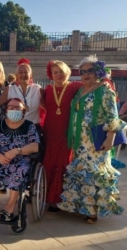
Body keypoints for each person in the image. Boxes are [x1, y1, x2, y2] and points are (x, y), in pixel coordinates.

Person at [57, 55, 124, 224]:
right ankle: (82, 207)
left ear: (98, 72)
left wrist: (110, 138)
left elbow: (112, 116)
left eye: (90, 71)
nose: (86, 74)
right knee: (82, 173)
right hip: (80, 142)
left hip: (96, 141)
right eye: (82, 72)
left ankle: (92, 211)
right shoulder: (81, 91)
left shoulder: (105, 90)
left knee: (94, 174)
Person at [0, 98, 40, 221]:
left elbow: (35, 146)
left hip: (20, 161)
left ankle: (9, 209)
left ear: (23, 110)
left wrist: (17, 151)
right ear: (6, 109)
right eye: (11, 107)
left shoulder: (29, 126)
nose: (14, 110)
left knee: (19, 171)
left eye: (18, 108)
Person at [42, 60, 83, 212]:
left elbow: (91, 87)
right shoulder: (47, 89)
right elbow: (43, 105)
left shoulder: (75, 87)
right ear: (51, 75)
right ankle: (47, 197)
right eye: (55, 72)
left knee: (64, 162)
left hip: (67, 131)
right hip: (50, 131)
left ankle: (62, 199)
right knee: (49, 161)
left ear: (68, 72)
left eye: (61, 71)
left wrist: (104, 83)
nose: (59, 74)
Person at [0, 58, 43, 127]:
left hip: (34, 128)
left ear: (30, 75)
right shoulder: (10, 89)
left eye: (26, 72)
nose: (23, 75)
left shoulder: (37, 89)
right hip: (16, 129)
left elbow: (48, 107)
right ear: (17, 75)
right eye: (20, 72)